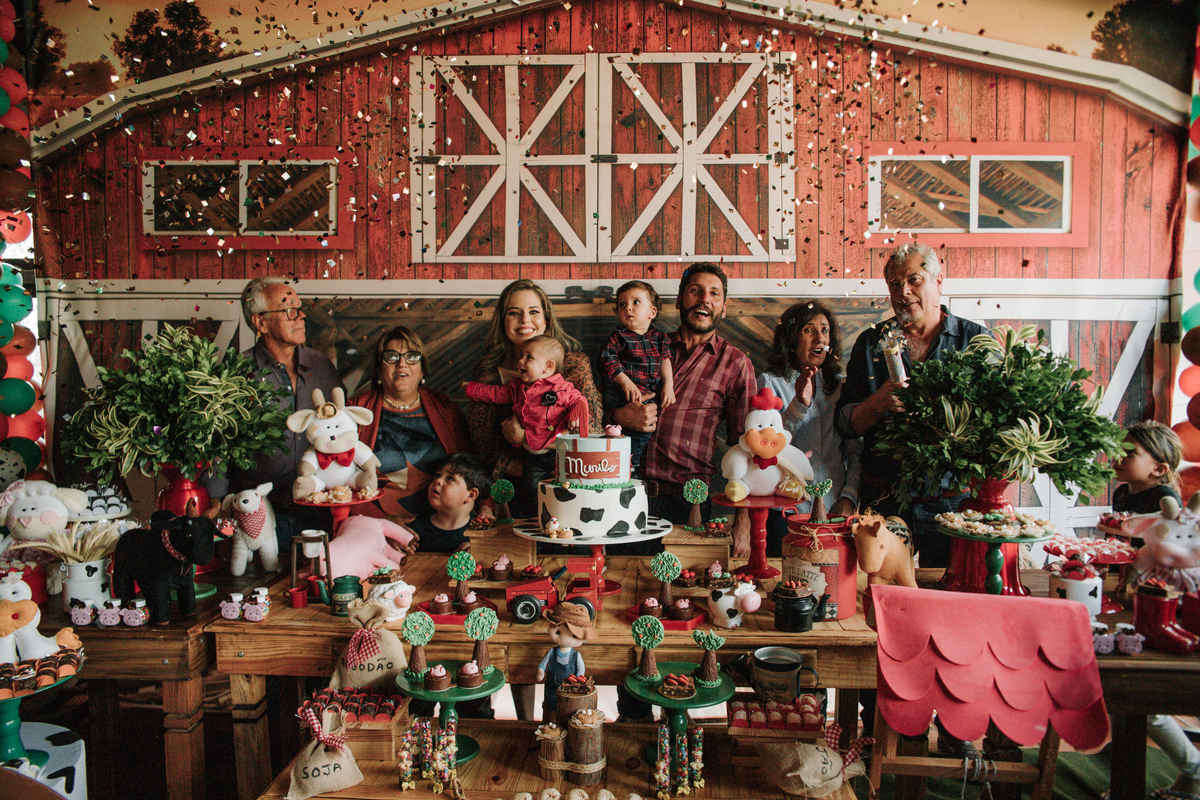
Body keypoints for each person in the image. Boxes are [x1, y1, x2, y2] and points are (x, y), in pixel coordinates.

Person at [834, 242, 988, 569]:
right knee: (880, 594)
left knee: (949, 594)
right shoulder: (870, 342)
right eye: (894, 284)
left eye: (914, 280)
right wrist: (876, 403)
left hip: (951, 501)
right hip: (882, 499)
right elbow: (845, 424)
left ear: (938, 281)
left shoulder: (973, 341)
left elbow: (997, 427)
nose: (903, 291)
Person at [610, 263, 756, 555]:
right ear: (679, 301)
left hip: (688, 503)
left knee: (682, 593)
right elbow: (595, 405)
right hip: (624, 493)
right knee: (624, 583)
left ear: (723, 308)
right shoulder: (643, 345)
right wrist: (617, 416)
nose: (704, 299)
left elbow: (747, 447)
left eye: (714, 294)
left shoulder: (736, 363)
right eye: (695, 291)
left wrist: (744, 522)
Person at [204, 276, 344, 554]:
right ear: (260, 322)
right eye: (288, 309)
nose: (300, 316)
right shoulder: (236, 372)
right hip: (258, 509)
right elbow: (216, 441)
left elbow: (343, 430)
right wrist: (217, 499)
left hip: (318, 507)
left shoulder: (321, 366)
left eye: (299, 307)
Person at [1110, 421, 1198, 800]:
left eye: (1129, 452)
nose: (1117, 456)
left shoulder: (1166, 500)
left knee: (1141, 694)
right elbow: (1127, 549)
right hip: (1137, 596)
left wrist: (1132, 580)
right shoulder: (1123, 492)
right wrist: (1120, 580)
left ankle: (1191, 770)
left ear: (1160, 469)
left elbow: (1161, 552)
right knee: (1127, 693)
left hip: (1168, 602)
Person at [466, 279, 602, 516]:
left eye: (533, 312)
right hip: (513, 493)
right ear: (503, 322)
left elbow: (591, 431)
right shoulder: (489, 375)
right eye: (514, 313)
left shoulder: (575, 365)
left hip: (574, 485)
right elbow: (484, 448)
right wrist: (531, 472)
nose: (525, 320)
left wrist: (526, 439)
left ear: (546, 319)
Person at [757, 300, 861, 556]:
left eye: (825, 331)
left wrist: (849, 496)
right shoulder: (770, 383)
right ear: (791, 338)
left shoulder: (840, 387)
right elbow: (764, 449)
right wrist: (799, 405)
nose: (819, 338)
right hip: (785, 512)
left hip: (835, 510)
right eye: (808, 330)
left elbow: (855, 450)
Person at [350, 326, 472, 523]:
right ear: (379, 369)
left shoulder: (446, 410)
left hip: (439, 528)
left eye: (412, 356)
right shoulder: (355, 410)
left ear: (422, 369)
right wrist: (384, 525)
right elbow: (336, 480)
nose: (402, 364)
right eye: (391, 357)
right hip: (371, 526)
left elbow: (469, 473)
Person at [464, 335, 590, 498]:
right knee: (532, 487)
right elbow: (496, 394)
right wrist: (473, 389)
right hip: (532, 456)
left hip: (556, 452)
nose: (521, 361)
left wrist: (576, 411)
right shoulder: (517, 387)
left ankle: (564, 510)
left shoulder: (560, 388)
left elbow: (579, 399)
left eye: (528, 357)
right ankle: (543, 511)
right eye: (520, 356)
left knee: (570, 483)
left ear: (548, 367)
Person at [599, 280, 676, 471]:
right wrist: (625, 381)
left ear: (652, 312)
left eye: (636, 302)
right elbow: (607, 359)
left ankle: (632, 460)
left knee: (645, 426)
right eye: (622, 304)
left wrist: (668, 385)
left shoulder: (660, 338)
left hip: (645, 394)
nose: (628, 308)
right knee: (621, 425)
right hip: (619, 392)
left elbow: (665, 361)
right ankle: (626, 459)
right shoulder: (618, 337)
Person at [405, 452, 491, 553]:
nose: (438, 481)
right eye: (438, 475)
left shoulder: (482, 534)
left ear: (471, 495)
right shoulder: (413, 531)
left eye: (450, 478)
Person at [536, 602, 596, 721]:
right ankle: (549, 723)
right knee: (550, 707)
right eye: (558, 632)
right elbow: (543, 664)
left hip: (570, 690)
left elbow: (580, 671)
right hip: (551, 688)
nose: (565, 639)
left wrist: (578, 679)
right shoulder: (552, 652)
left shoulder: (576, 655)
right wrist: (540, 671)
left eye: (574, 636)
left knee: (569, 711)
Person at [1112, 420, 1183, 514]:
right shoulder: (1120, 492)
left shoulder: (1166, 498)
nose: (1118, 457)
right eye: (1118, 450)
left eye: (1130, 453)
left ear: (1158, 469)